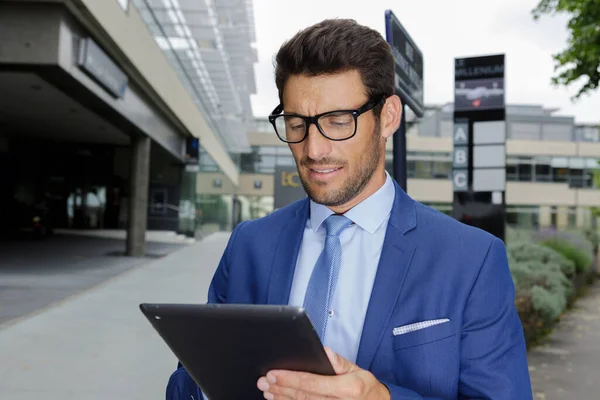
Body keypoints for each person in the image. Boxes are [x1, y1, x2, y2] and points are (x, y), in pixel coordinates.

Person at [167, 18, 532, 399]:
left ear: (388, 117)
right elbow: (184, 385)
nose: (313, 149)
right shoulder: (249, 244)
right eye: (296, 124)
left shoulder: (471, 259)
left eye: (338, 122)